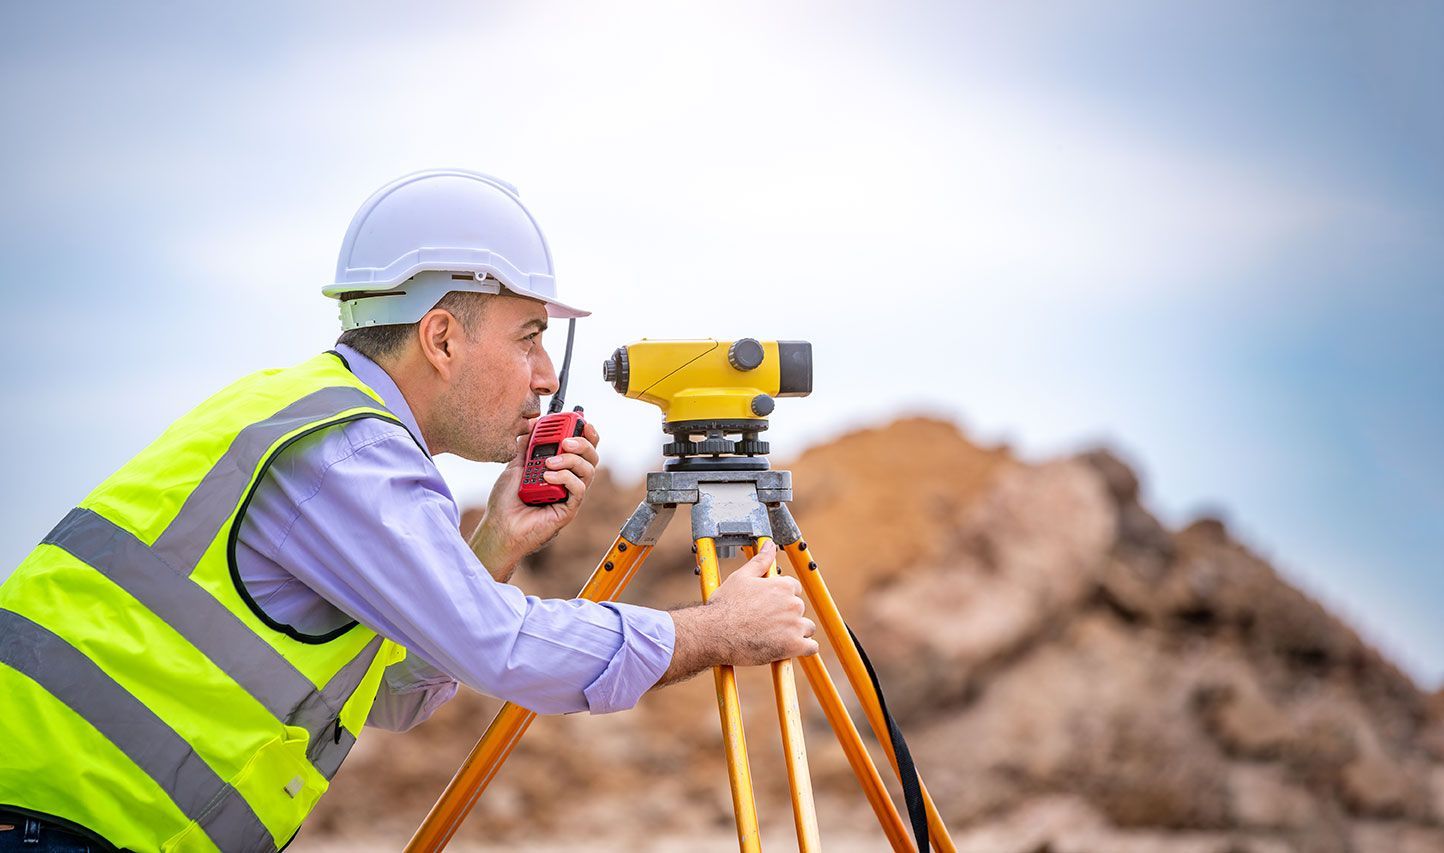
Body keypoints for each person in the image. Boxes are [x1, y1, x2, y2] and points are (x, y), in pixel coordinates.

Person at [0, 169, 818, 852]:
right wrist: (712, 630)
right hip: (58, 821)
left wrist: (493, 541)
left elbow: (391, 693)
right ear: (440, 338)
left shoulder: (311, 418)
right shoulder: (350, 453)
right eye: (529, 335)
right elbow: (501, 647)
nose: (543, 374)